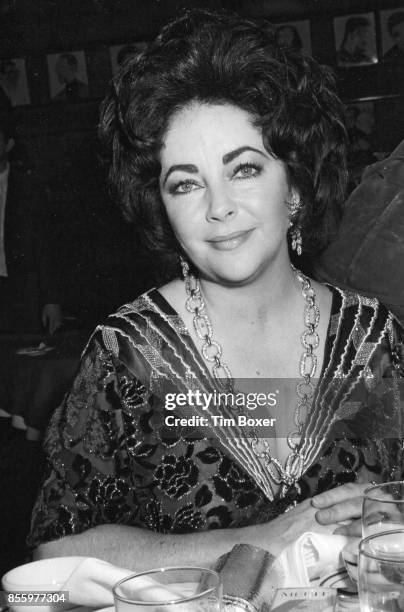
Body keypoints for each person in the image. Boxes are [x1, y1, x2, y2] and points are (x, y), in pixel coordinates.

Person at [29, 10, 404, 571]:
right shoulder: (129, 358)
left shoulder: (376, 345)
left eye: (245, 169)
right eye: (185, 183)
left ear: (295, 186)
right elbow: (54, 555)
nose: (218, 206)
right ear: (163, 210)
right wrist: (261, 542)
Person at [0, 116, 62, 334]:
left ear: (8, 145)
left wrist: (51, 300)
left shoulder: (28, 188)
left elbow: (45, 246)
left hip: (22, 292)